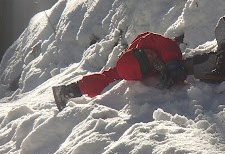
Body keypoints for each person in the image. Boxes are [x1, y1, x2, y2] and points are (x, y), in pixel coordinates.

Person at [52, 32, 188, 111]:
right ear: (145, 72)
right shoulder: (131, 69)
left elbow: (167, 44)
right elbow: (103, 79)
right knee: (107, 78)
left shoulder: (146, 42)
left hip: (138, 60)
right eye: (148, 59)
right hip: (133, 67)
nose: (151, 54)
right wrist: (75, 89)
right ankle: (65, 91)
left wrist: (172, 62)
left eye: (145, 53)